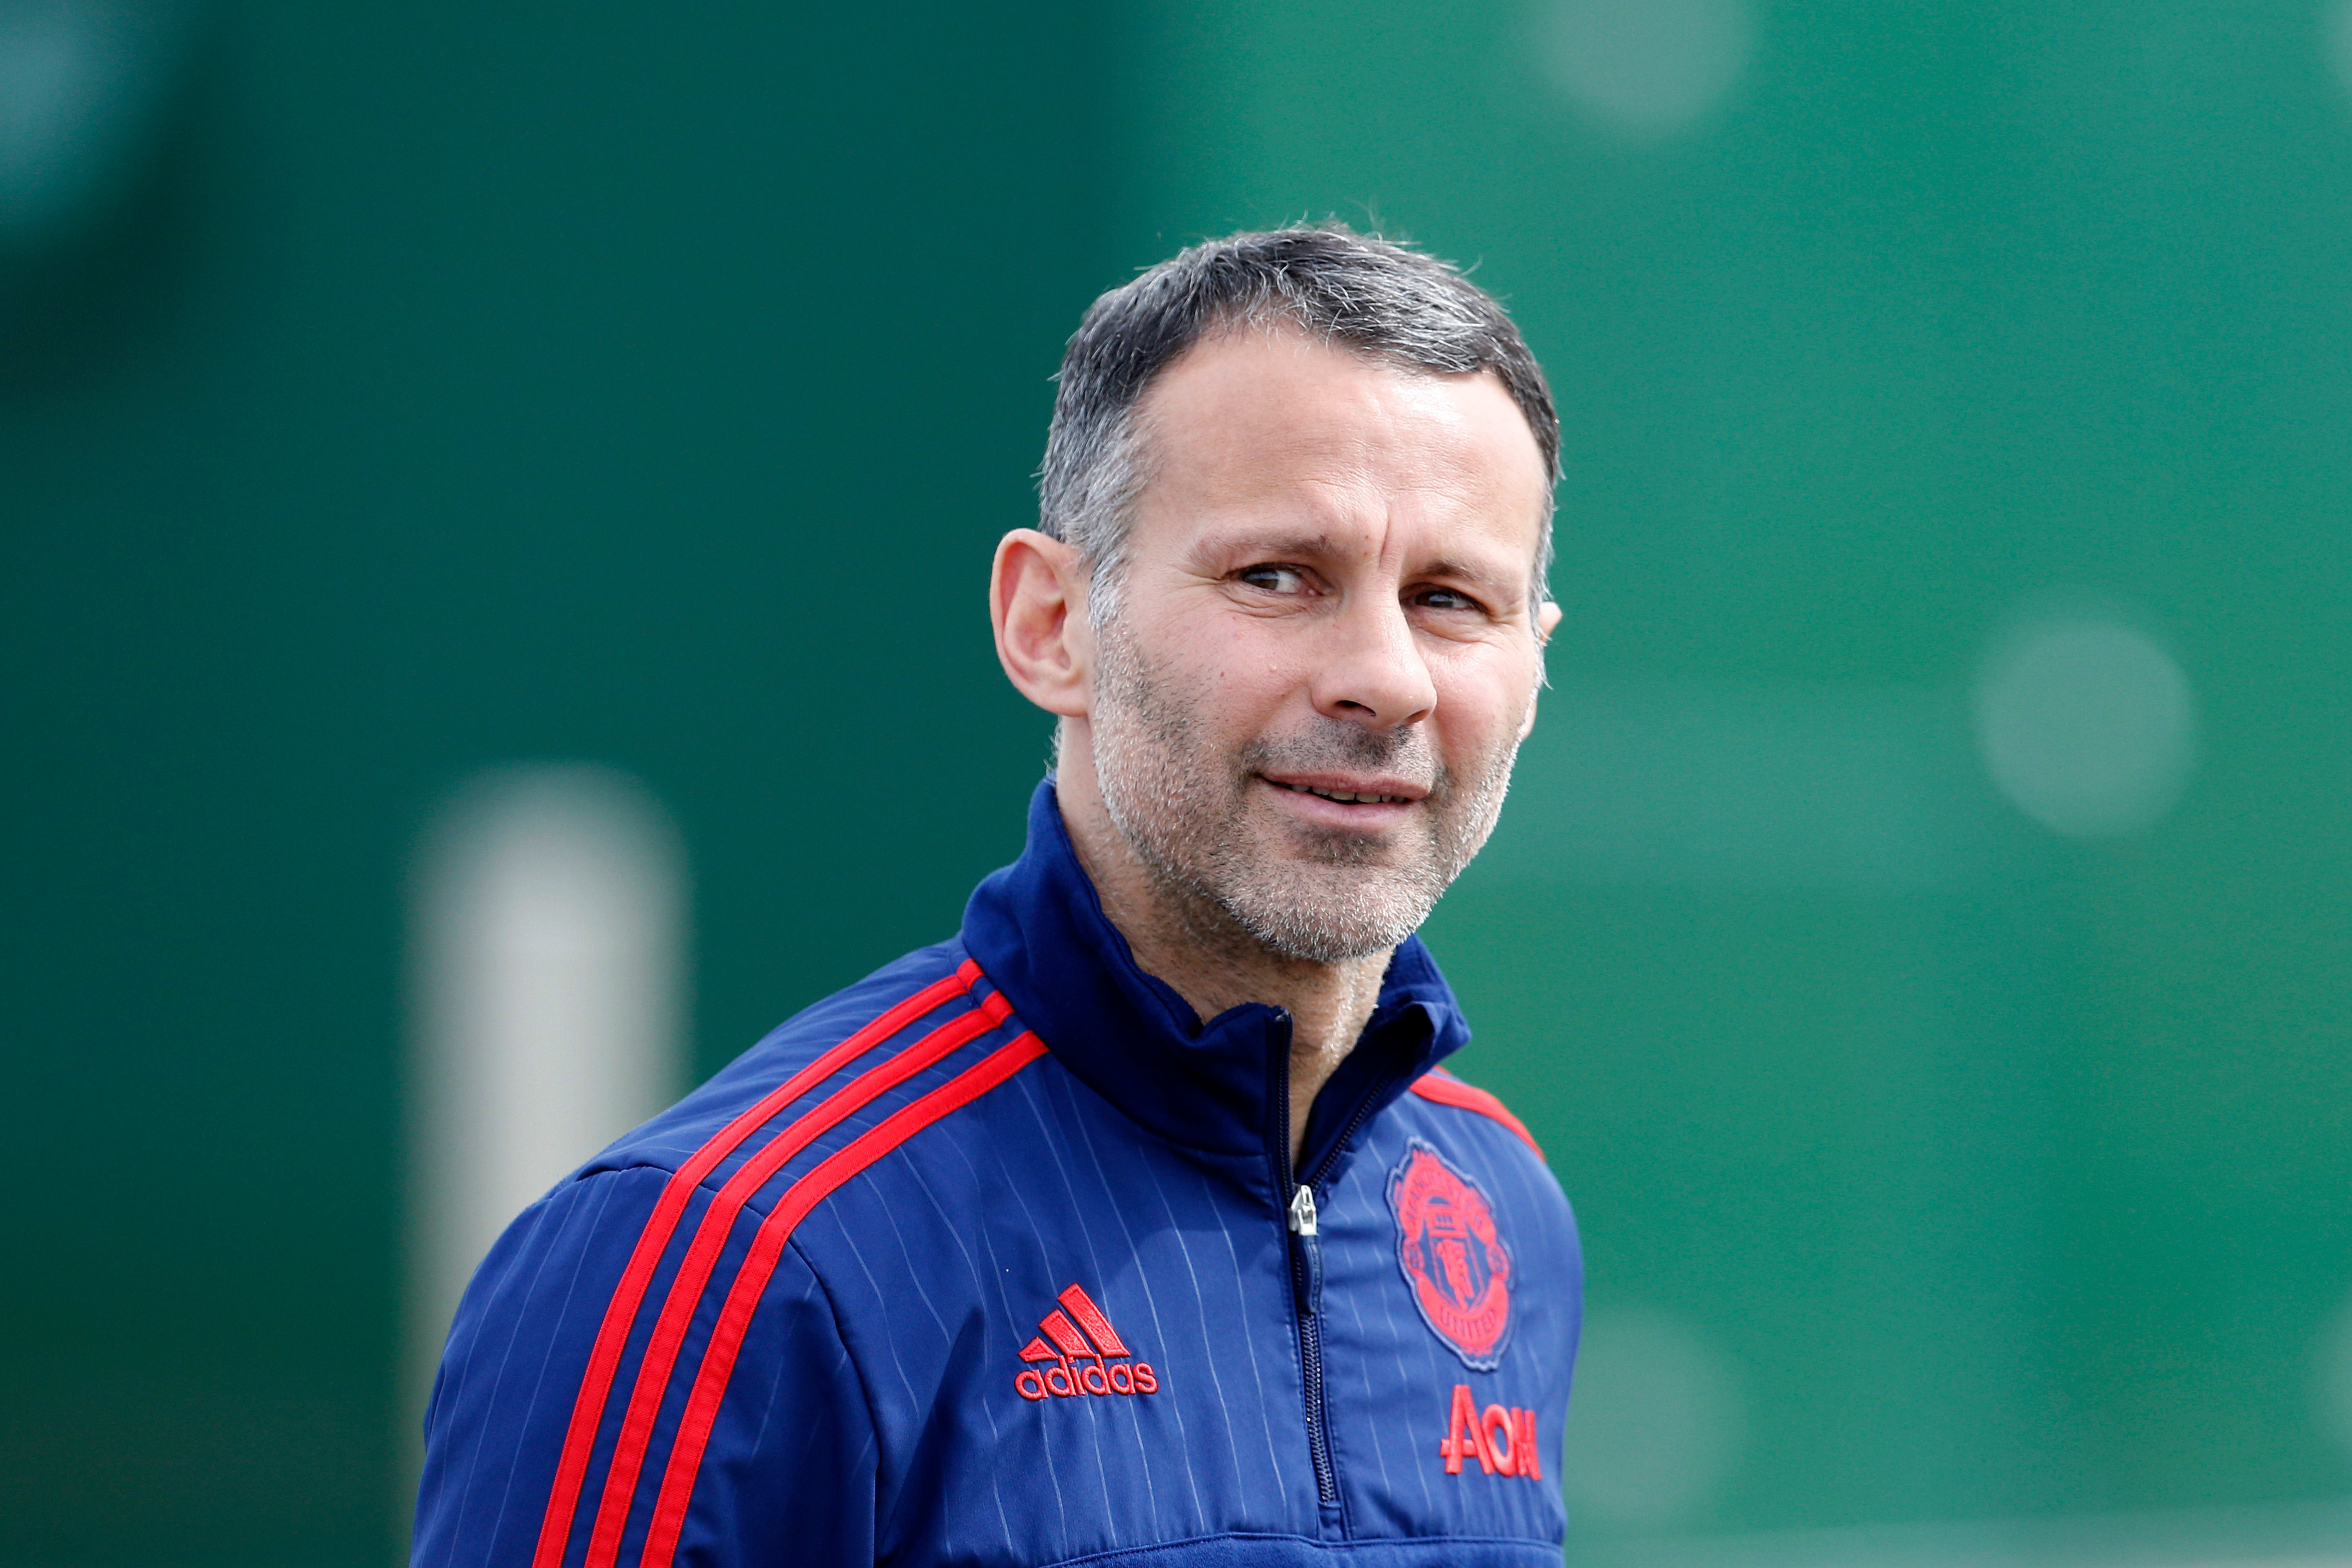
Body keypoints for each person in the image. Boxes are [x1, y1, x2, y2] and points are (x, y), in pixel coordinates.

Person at [413, 227, 1583, 1568]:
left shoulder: (1500, 1203)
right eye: (1278, 577)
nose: (1385, 678)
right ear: (1052, 624)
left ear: (1533, 662)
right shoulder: (720, 1255)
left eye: (1451, 599)